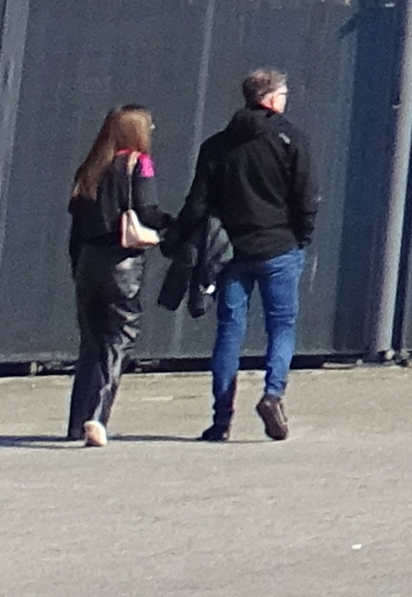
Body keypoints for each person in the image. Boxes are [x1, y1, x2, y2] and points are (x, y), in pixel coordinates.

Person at [192, 67, 319, 443]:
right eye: (284, 94)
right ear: (271, 99)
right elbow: (306, 193)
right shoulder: (290, 139)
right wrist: (301, 235)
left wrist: (181, 237)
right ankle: (272, 394)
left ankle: (221, 419)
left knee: (229, 330)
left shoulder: (217, 145)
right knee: (281, 326)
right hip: (280, 247)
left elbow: (198, 202)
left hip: (233, 251)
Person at [64, 99, 162, 445]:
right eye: (148, 125)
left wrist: (78, 267)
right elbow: (147, 211)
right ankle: (96, 418)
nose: (152, 130)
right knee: (117, 340)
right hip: (122, 264)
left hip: (87, 262)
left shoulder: (90, 168)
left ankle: (76, 422)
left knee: (90, 343)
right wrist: (174, 228)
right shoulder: (138, 163)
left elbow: (75, 228)